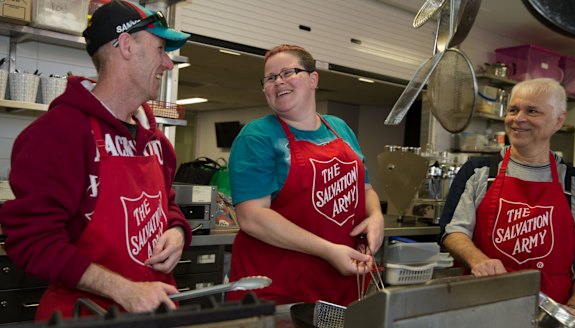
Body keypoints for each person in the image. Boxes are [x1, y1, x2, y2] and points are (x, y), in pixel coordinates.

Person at [0, 0, 192, 320]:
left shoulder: (155, 139)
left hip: (154, 311)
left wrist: (177, 230)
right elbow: (33, 241)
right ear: (127, 45)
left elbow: (165, 203)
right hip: (84, 315)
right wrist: (124, 290)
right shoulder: (59, 133)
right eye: (160, 49)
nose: (168, 64)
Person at [227, 44, 385, 306]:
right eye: (270, 77)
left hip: (340, 284)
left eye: (289, 72)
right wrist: (328, 250)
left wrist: (376, 216)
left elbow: (365, 189)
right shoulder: (257, 136)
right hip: (281, 288)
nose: (279, 82)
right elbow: (252, 217)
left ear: (313, 79)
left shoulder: (340, 128)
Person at [441, 78, 575, 309]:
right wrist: (478, 260)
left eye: (532, 111)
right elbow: (452, 230)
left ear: (558, 121)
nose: (518, 119)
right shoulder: (479, 172)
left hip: (550, 315)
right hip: (481, 306)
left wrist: (574, 309)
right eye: (513, 110)